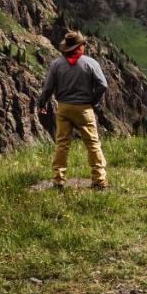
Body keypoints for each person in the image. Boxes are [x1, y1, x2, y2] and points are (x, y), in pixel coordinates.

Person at [36, 30, 110, 190]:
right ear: (80, 47)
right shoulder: (90, 63)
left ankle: (58, 180)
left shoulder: (56, 65)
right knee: (92, 144)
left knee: (62, 144)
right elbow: (103, 85)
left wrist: (41, 104)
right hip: (84, 109)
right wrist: (94, 100)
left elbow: (48, 88)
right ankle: (99, 180)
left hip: (63, 108)